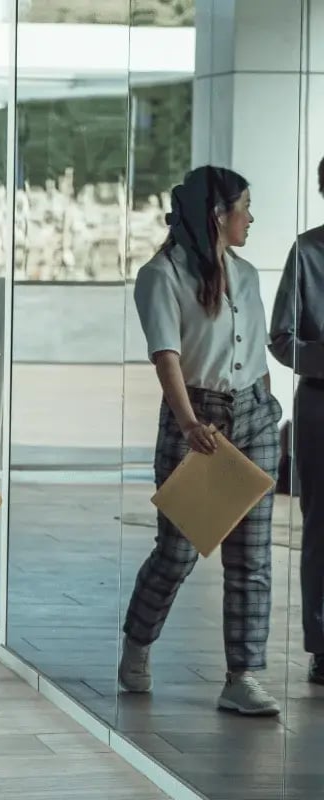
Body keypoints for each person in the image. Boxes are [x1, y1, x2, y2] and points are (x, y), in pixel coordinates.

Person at [120, 165, 281, 716]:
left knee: (251, 559)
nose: (251, 217)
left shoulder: (249, 274)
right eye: (245, 206)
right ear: (217, 214)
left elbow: (255, 353)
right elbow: (166, 356)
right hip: (198, 420)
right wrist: (190, 424)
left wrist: (267, 405)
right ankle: (137, 645)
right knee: (177, 553)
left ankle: (243, 676)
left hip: (255, 419)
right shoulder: (160, 274)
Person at [269, 155, 324, 683]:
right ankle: (323, 646)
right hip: (321, 406)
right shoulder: (307, 252)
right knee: (321, 528)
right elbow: (280, 338)